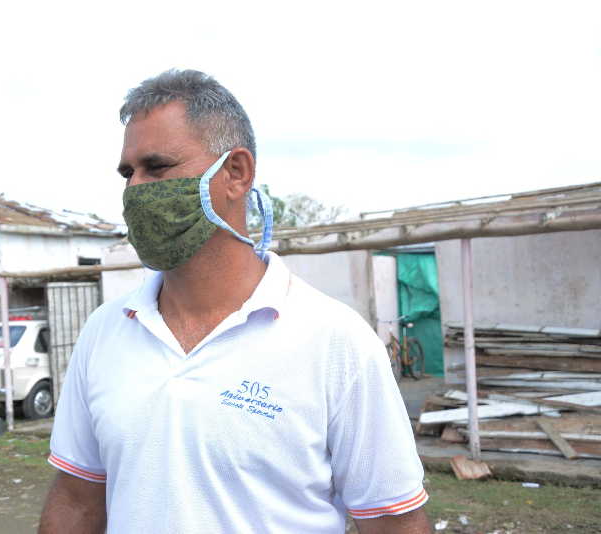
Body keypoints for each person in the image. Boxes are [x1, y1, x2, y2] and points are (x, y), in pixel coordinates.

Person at [39, 69, 430, 534]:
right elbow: (77, 501)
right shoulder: (105, 331)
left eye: (157, 167)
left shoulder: (335, 341)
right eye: (128, 173)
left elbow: (393, 522)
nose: (135, 190)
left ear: (236, 173)